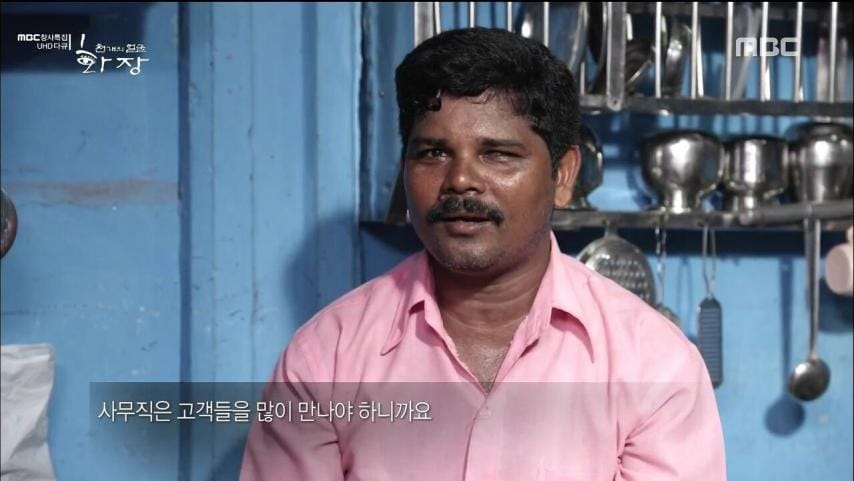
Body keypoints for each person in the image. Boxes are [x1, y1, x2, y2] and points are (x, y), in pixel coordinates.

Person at [240, 27, 726, 481]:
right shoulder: (326, 359)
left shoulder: (654, 366)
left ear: (562, 176)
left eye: (498, 154)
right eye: (433, 153)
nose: (459, 180)